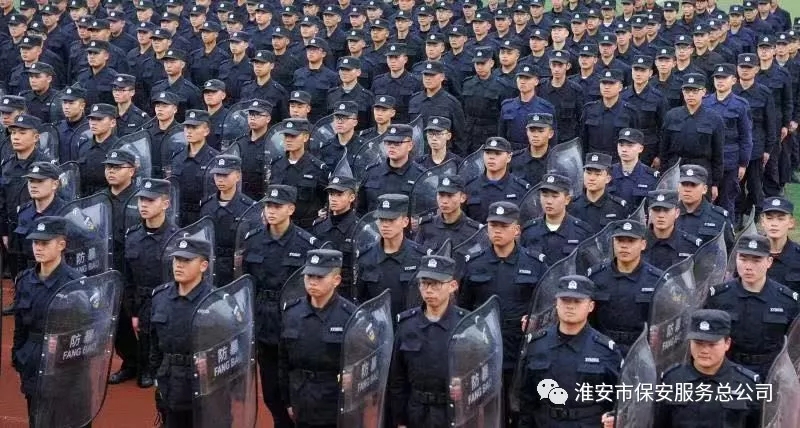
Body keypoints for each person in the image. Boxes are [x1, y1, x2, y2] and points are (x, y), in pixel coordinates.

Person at [240, 184, 321, 428]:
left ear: (291, 209)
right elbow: (246, 281)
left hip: (294, 321)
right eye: (268, 206)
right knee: (271, 390)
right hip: (264, 321)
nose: (271, 211)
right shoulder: (253, 240)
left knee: (296, 385)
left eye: (277, 206)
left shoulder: (306, 244)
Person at [459, 201, 546, 426]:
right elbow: (463, 308)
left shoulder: (534, 264)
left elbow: (546, 305)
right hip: (483, 348)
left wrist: (535, 320)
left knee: (520, 409)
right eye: (493, 225)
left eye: (503, 226)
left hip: (520, 348)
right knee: (486, 411)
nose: (497, 231)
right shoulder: (474, 263)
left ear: (516, 230)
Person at [602, 309, 762, 428]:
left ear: (727, 344)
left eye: (712, 344)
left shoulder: (747, 383)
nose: (704, 350)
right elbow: (658, 421)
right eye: (698, 343)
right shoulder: (672, 379)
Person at [11, 217, 87, 428]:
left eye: (44, 243)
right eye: (35, 242)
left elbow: (86, 332)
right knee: (37, 419)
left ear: (61, 245)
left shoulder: (75, 283)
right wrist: (19, 356)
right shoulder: (25, 280)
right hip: (33, 359)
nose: (38, 247)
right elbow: (20, 324)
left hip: (65, 366)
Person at [518, 275, 622, 428]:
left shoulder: (605, 350)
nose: (570, 306)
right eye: (565, 300)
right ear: (556, 303)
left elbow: (620, 397)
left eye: (577, 301)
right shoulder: (536, 345)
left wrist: (615, 418)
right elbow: (526, 398)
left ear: (591, 306)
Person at [278, 249, 357, 428]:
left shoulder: (350, 316)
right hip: (301, 399)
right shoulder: (292, 313)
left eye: (320, 277)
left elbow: (361, 362)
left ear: (336, 280)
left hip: (334, 403)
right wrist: (287, 401)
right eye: (309, 276)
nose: (312, 282)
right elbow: (283, 361)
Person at [705, 233, 800, 378]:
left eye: (756, 260)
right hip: (728, 369)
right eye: (743, 259)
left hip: (770, 372)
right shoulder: (719, 297)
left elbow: (795, 343)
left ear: (769, 262)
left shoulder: (787, 300)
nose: (748, 267)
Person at [389, 253, 466, 428]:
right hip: (416, 411)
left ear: (452, 286)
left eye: (436, 284)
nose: (428, 290)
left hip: (453, 412)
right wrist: (400, 420)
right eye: (424, 283)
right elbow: (397, 379)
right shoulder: (407, 324)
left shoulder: (466, 325)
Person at [149, 236, 214, 427]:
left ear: (203, 266)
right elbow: (154, 343)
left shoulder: (216, 302)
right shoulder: (160, 297)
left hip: (203, 388)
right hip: (171, 383)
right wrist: (157, 376)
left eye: (187, 260)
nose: (179, 265)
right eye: (177, 259)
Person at [119, 178, 178, 389]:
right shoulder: (133, 236)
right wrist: (132, 311)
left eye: (150, 200)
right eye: (141, 200)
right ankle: (143, 368)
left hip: (166, 300)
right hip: (141, 300)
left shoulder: (177, 238)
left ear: (165, 204)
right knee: (142, 338)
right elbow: (128, 277)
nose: (143, 205)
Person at [588, 220, 664, 354]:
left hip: (641, 349)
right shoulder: (596, 276)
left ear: (643, 244)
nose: (624, 246)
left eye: (631, 241)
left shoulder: (656, 280)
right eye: (620, 240)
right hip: (602, 347)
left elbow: (666, 318)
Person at [356, 193, 425, 316]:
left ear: (405, 222)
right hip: (377, 324)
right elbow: (360, 301)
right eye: (382, 219)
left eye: (391, 220)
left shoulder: (419, 257)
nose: (385, 225)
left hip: (410, 324)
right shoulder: (366, 257)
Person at [657, 73, 725, 195]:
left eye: (695, 91)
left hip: (702, 168)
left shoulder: (714, 119)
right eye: (687, 91)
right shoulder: (672, 116)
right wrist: (664, 175)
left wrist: (715, 183)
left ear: (703, 92)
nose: (690, 95)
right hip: (676, 168)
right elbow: (664, 150)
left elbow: (718, 154)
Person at [702, 63, 753, 221]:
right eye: (717, 78)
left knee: (727, 200)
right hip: (708, 159)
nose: (720, 81)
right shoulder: (705, 102)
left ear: (733, 80)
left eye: (724, 78)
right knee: (705, 199)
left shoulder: (740, 105)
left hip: (730, 160)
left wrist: (743, 163)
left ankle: (727, 231)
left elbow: (746, 136)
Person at [200, 155, 255, 287]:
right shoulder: (207, 205)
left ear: (238, 176)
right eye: (217, 175)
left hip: (236, 268)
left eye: (225, 175)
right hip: (211, 266)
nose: (220, 179)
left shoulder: (249, 207)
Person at [733, 53, 777, 221]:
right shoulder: (731, 91)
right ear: (737, 68)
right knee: (735, 184)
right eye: (742, 67)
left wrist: (768, 150)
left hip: (756, 147)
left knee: (755, 184)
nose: (745, 70)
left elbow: (770, 123)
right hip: (734, 146)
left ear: (756, 69)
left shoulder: (764, 93)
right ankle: (737, 215)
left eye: (749, 67)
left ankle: (756, 214)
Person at [269, 118, 329, 228]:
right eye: (286, 136)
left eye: (293, 136)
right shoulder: (276, 165)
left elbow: (326, 199)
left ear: (305, 137)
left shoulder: (317, 168)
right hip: (280, 225)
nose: (288, 140)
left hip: (308, 227)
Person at [310, 171, 359, 301]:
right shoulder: (319, 226)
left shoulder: (360, 229)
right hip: (320, 293)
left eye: (339, 194)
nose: (333, 198)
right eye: (331, 194)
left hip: (347, 295)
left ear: (351, 198)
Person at [521, 174, 594, 260]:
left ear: (567, 199)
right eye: (545, 195)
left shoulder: (582, 232)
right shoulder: (529, 231)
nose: (549, 201)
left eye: (555, 196)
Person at [357, 124, 425, 215]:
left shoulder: (420, 176)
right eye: (388, 142)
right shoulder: (372, 172)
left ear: (410, 145)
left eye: (397, 143)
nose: (392, 146)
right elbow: (361, 211)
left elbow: (425, 213)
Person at [463, 137, 531, 223]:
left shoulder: (521, 189)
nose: (491, 157)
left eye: (497, 153)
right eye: (488, 153)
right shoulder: (470, 187)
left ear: (509, 157)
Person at [169, 109, 220, 225]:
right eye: (187, 127)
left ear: (206, 131)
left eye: (194, 127)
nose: (189, 131)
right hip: (179, 216)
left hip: (203, 216)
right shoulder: (177, 157)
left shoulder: (214, 159)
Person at [462, 46, 515, 153]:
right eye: (477, 64)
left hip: (491, 133)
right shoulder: (468, 84)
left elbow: (505, 114)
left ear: (491, 63)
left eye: (483, 63)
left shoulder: (502, 86)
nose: (479, 67)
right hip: (469, 134)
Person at [581, 69, 640, 161]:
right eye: (604, 83)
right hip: (594, 159)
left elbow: (635, 140)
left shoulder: (629, 111)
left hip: (618, 160)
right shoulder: (589, 109)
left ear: (620, 87)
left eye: (611, 83)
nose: (606, 87)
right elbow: (583, 138)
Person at [415, 174, 482, 253]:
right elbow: (416, 254)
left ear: (463, 198)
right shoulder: (426, 226)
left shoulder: (474, 231)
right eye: (441, 195)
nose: (444, 201)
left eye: (450, 196)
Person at [621, 55, 669, 164]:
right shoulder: (623, 95)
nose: (638, 74)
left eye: (642, 70)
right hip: (625, 146)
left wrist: (659, 155)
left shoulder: (658, 98)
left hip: (649, 148)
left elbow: (664, 129)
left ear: (650, 73)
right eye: (636, 70)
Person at [498, 64, 556, 151]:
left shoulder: (546, 108)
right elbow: (501, 136)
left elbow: (552, 138)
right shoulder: (507, 106)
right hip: (512, 152)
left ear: (536, 81)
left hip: (536, 152)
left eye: (527, 78)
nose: (522, 82)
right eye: (520, 78)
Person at [568, 152, 629, 232]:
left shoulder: (618, 207)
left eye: (597, 174)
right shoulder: (571, 205)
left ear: (608, 179)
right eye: (588, 173)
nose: (591, 178)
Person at [676, 164, 734, 248]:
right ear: (678, 187)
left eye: (693, 185)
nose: (687, 189)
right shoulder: (668, 214)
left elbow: (729, 250)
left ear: (704, 189)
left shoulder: (719, 218)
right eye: (684, 184)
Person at [644, 189, 703, 270]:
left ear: (677, 213)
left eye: (666, 210)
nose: (661, 215)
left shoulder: (690, 246)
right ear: (649, 212)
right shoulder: (637, 242)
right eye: (656, 210)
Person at [608, 128, 660, 209]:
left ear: (641, 149)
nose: (624, 150)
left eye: (630, 146)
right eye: (621, 145)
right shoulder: (608, 173)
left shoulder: (651, 177)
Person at [77, 103, 120, 196]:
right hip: (84, 198)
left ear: (112, 123)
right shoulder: (84, 145)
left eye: (99, 119)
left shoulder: (119, 148)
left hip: (108, 198)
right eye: (91, 119)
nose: (93, 123)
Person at [760, 197, 800, 292]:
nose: (774, 224)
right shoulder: (750, 254)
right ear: (762, 222)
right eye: (769, 218)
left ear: (791, 223)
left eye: (781, 219)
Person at [510, 112, 556, 186]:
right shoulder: (514, 160)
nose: (535, 135)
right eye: (532, 131)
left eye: (541, 131)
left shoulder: (557, 161)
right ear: (527, 132)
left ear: (550, 134)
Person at [55, 85, 90, 163]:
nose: (66, 107)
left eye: (71, 103)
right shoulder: (57, 127)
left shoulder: (90, 129)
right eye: (64, 103)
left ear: (82, 106)